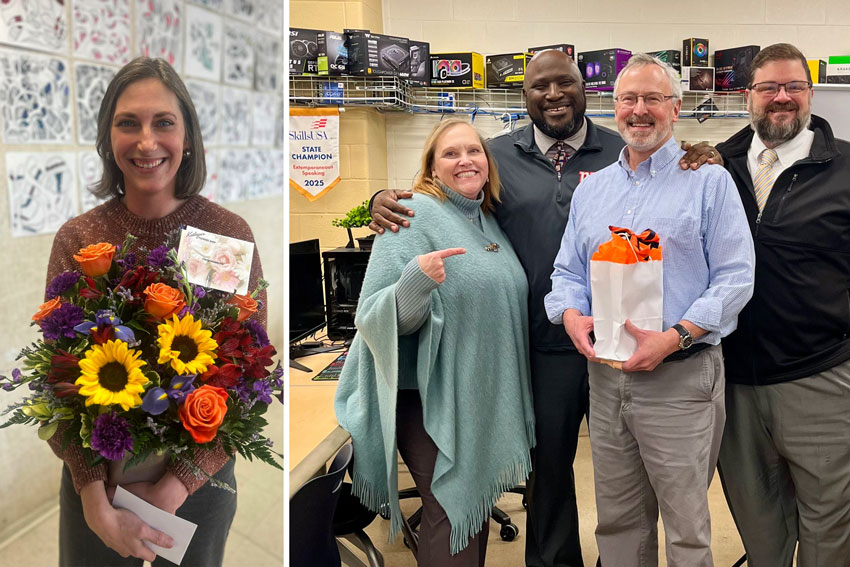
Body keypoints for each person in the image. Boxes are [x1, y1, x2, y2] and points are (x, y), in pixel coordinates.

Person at [369, 49, 719, 567]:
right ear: (524, 95)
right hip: (539, 346)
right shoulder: (495, 154)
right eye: (539, 87)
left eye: (564, 83)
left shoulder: (621, 147)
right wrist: (381, 198)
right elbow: (443, 196)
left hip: (628, 344)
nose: (553, 95)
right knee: (550, 474)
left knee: (626, 476)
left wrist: (703, 151)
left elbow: (670, 167)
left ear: (586, 88)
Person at [45, 57, 267, 566]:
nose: (146, 142)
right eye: (128, 123)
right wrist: (94, 500)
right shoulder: (78, 239)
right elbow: (55, 385)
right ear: (108, 140)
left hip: (198, 484)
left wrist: (174, 488)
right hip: (95, 485)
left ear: (187, 137)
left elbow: (247, 382)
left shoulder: (224, 234)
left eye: (163, 122)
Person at [544, 53, 754, 567]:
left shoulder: (708, 182)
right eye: (629, 99)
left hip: (679, 379)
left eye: (653, 99)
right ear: (613, 106)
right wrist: (571, 315)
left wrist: (676, 335)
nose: (640, 110)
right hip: (607, 378)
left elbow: (736, 277)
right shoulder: (593, 190)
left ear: (675, 108)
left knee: (685, 527)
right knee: (617, 521)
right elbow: (566, 273)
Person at [334, 118, 536, 566]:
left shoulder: (487, 218)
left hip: (477, 396)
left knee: (475, 507)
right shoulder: (416, 212)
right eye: (450, 153)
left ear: (488, 162)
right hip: (427, 399)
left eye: (474, 151)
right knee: (450, 508)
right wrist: (416, 283)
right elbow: (375, 316)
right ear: (431, 167)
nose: (465, 160)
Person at [714, 43, 850, 567]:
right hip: (734, 381)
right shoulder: (715, 168)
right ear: (748, 95)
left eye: (794, 86)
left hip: (820, 378)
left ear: (810, 95)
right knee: (760, 526)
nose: (782, 98)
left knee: (830, 526)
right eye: (769, 87)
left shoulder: (843, 168)